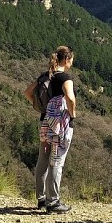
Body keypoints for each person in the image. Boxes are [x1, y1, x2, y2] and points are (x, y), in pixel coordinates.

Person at [25, 46, 76, 213]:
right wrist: (72, 114)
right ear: (67, 60)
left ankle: (41, 199)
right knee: (57, 161)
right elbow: (70, 97)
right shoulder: (65, 77)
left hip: (44, 123)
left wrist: (41, 107)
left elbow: (27, 92)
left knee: (43, 159)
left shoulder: (46, 75)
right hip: (59, 126)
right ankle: (53, 201)